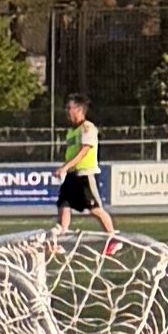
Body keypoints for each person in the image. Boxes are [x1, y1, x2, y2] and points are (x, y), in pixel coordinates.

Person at [51, 98, 119, 253]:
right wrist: (66, 169)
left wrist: (65, 167)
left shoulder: (87, 128)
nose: (67, 111)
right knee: (64, 206)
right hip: (72, 174)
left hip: (85, 174)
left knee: (94, 208)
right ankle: (60, 240)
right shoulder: (71, 132)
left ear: (79, 110)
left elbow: (84, 151)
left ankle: (113, 238)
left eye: (70, 108)